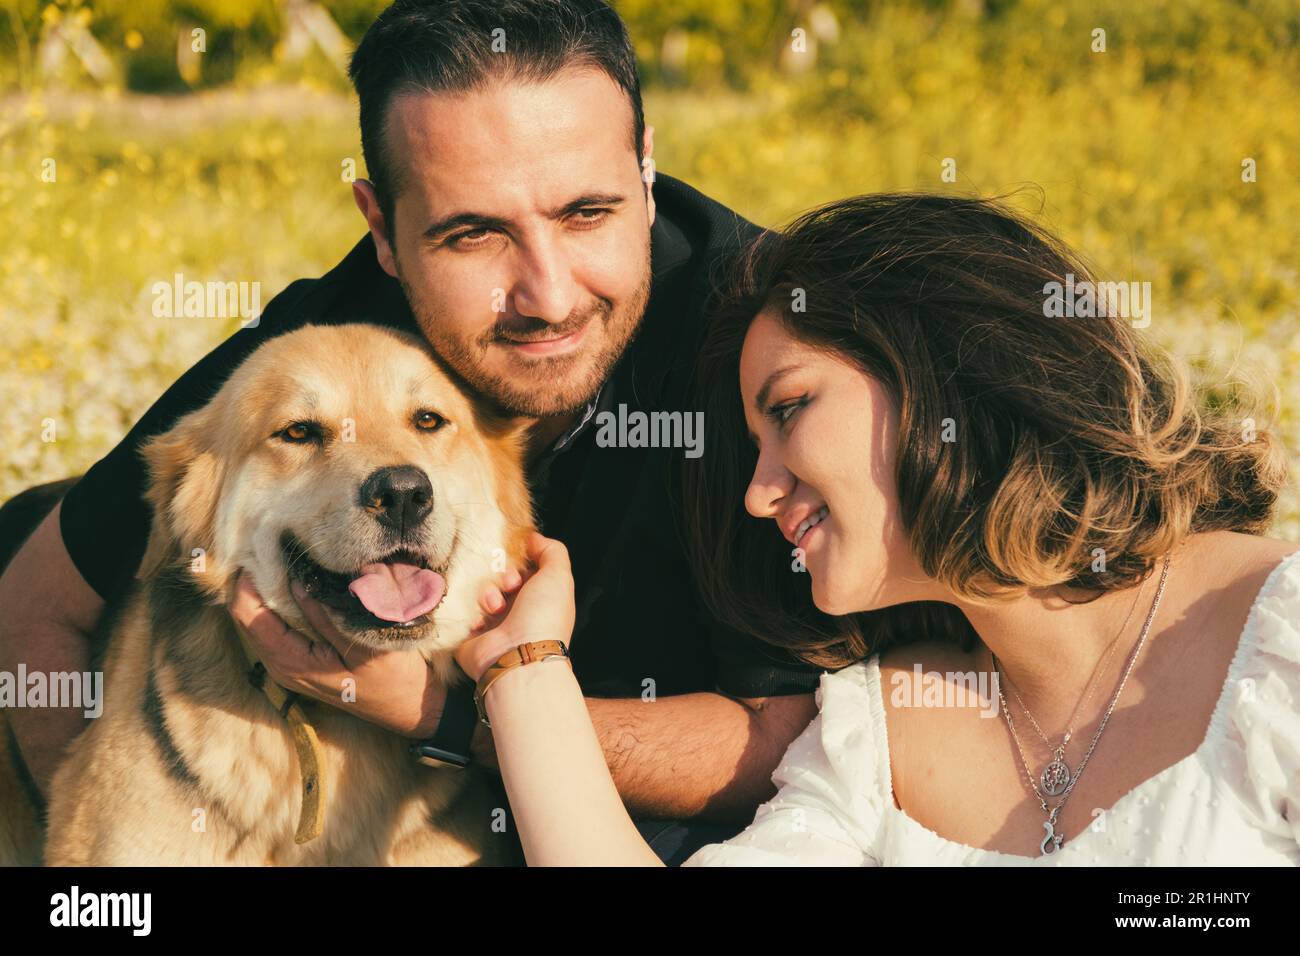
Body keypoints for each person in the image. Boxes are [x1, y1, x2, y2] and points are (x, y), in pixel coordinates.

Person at [0, 0, 824, 867]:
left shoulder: (767, 350)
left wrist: (434, 713)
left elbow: (795, 743)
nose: (547, 296)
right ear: (382, 229)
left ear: (647, 166)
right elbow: (36, 601)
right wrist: (97, 841)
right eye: (473, 234)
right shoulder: (317, 347)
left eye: (587, 212)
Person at [451, 192, 1300, 865]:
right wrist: (522, 670)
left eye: (790, 409)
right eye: (754, 446)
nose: (757, 493)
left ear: (943, 363)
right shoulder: (874, 731)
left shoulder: (1278, 629)